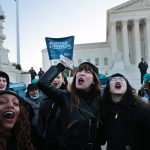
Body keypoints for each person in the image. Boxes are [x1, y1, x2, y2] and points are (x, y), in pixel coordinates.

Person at [38, 59, 102, 150]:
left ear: (94, 81)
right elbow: (42, 83)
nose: (81, 73)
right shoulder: (66, 97)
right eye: (79, 71)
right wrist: (60, 66)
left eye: (87, 72)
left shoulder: (100, 100)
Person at [101, 73, 150, 150]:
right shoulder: (104, 109)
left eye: (121, 79)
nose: (117, 81)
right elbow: (101, 139)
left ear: (127, 87)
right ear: (108, 88)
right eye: (113, 80)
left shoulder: (142, 109)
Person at [38, 72, 67, 150]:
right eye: (52, 77)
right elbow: (41, 125)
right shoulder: (43, 100)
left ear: (63, 79)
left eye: (58, 77)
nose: (55, 80)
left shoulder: (69, 97)